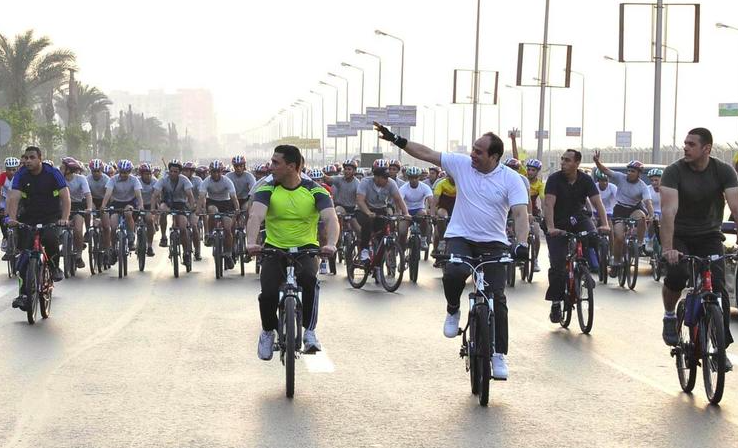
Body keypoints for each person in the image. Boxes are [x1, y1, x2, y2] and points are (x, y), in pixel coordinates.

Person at [375, 122, 529, 381]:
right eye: (473, 149)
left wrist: (522, 243)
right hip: (460, 236)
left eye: (479, 152)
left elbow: (520, 213)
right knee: (454, 272)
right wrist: (396, 139)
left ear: (494, 156)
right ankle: (452, 308)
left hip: (493, 242)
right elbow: (426, 153)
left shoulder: (511, 179)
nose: (473, 155)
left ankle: (498, 354)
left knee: (497, 298)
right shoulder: (461, 165)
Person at [247, 145, 338, 359]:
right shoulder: (267, 188)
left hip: (305, 249)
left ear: (292, 166)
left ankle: (310, 332)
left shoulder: (315, 190)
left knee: (309, 280)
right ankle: (268, 332)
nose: (271, 167)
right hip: (274, 248)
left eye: (276, 163)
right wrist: (251, 242)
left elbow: (331, 218)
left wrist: (331, 243)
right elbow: (255, 217)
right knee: (268, 291)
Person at [660, 128, 738, 372]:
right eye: (685, 143)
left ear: (707, 148)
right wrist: (668, 248)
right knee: (676, 275)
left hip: (709, 236)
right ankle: (670, 315)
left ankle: (719, 349)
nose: (685, 147)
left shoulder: (723, 171)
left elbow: (736, 207)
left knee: (718, 290)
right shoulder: (674, 171)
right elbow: (668, 212)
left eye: (691, 144)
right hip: (679, 234)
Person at [544, 149, 609, 323]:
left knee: (594, 236)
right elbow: (549, 205)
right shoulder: (554, 179)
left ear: (577, 163)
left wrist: (605, 224)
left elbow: (597, 202)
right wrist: (550, 227)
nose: (563, 163)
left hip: (578, 219)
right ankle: (556, 302)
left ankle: (587, 269)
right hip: (557, 223)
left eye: (567, 160)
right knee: (558, 266)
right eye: (562, 159)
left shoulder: (585, 180)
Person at [6, 146, 70, 310]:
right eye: (26, 158)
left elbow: (65, 196)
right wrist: (12, 219)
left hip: (51, 217)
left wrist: (64, 218)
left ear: (40, 158)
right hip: (29, 218)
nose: (28, 161)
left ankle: (55, 267)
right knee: (24, 258)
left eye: (32, 157)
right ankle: (23, 294)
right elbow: (13, 198)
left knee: (50, 239)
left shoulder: (52, 173)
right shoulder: (21, 174)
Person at [592, 153, 654, 276]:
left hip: (634, 208)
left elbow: (648, 202)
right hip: (620, 208)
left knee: (642, 217)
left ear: (639, 174)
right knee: (619, 237)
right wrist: (597, 161)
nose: (630, 173)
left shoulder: (642, 186)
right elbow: (605, 170)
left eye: (633, 171)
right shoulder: (620, 177)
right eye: (629, 171)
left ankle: (640, 243)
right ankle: (616, 261)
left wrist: (651, 214)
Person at [355, 160, 410, 261]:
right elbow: (360, 200)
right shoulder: (365, 182)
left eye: (387, 177)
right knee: (366, 223)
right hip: (363, 210)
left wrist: (406, 213)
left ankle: (379, 260)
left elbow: (399, 199)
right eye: (384, 177)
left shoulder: (391, 183)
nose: (386, 180)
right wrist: (368, 212)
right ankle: (364, 250)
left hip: (380, 209)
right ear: (376, 177)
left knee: (383, 232)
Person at [151, 159, 196, 266]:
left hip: (181, 204)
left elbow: (190, 196)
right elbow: (155, 195)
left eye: (175, 172)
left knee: (183, 228)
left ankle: (186, 253)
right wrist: (153, 208)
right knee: (162, 209)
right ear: (168, 171)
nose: (173, 173)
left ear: (180, 172)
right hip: (167, 203)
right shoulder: (163, 180)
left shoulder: (185, 180)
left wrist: (192, 208)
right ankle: (163, 237)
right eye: (171, 171)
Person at [198, 160, 239, 270]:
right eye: (213, 172)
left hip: (226, 204)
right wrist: (198, 209)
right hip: (212, 202)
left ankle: (229, 254)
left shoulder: (227, 181)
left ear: (221, 172)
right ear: (210, 172)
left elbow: (233, 197)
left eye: (218, 172)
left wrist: (237, 209)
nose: (216, 174)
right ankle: (210, 234)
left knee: (227, 229)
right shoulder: (206, 181)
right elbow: (201, 197)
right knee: (212, 211)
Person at [101, 159, 143, 254]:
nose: (124, 174)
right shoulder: (113, 179)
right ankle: (113, 247)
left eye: (126, 172)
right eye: (122, 172)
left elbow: (138, 194)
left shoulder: (134, 179)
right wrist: (103, 205)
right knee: (113, 225)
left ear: (129, 171)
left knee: (128, 213)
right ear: (119, 171)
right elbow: (108, 193)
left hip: (130, 202)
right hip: (116, 202)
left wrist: (141, 205)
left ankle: (131, 239)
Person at [60, 157, 92, 269]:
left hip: (78, 205)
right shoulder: (59, 178)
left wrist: (88, 208)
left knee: (78, 230)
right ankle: (62, 242)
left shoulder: (81, 179)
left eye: (63, 167)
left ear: (69, 169)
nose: (60, 168)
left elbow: (87, 194)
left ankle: (78, 256)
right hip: (63, 205)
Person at [398, 166, 434, 250]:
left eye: (416, 177)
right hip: (406, 211)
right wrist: (400, 213)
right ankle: (402, 249)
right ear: (408, 177)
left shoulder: (425, 187)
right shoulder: (403, 188)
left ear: (419, 177)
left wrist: (432, 213)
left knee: (424, 215)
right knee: (402, 231)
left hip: (419, 210)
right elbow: (399, 202)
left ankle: (423, 239)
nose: (413, 180)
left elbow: (431, 201)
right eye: (411, 178)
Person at [182, 161, 203, 260]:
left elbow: (201, 195)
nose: (186, 172)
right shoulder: (180, 179)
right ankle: (182, 249)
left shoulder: (197, 180)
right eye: (184, 170)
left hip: (194, 207)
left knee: (194, 225)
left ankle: (197, 250)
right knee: (178, 226)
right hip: (182, 207)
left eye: (188, 171)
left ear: (192, 172)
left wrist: (197, 206)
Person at [0, 157, 21, 259]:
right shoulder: (2, 176)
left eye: (14, 169)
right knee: (3, 218)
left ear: (17, 169)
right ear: (6, 169)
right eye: (9, 169)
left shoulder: (20, 176)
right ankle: (6, 237)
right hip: (4, 200)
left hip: (18, 201)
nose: (11, 172)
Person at [136, 163, 157, 257]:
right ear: (141, 174)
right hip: (137, 204)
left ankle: (149, 246)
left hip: (149, 205)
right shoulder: (137, 181)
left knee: (149, 220)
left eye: (149, 174)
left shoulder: (155, 181)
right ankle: (134, 240)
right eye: (145, 174)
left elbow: (157, 195)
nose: (148, 176)